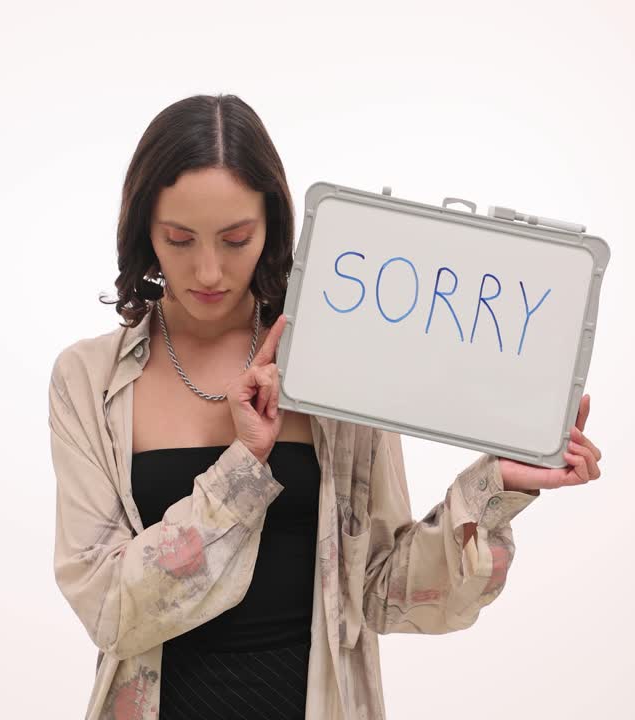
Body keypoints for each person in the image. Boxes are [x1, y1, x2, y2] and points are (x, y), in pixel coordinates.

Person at [48, 94, 604, 720]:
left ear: (273, 224)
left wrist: (493, 489)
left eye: (236, 239)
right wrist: (244, 466)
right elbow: (109, 611)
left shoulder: (339, 362)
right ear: (144, 229)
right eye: (179, 239)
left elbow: (387, 593)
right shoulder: (88, 380)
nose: (208, 269)